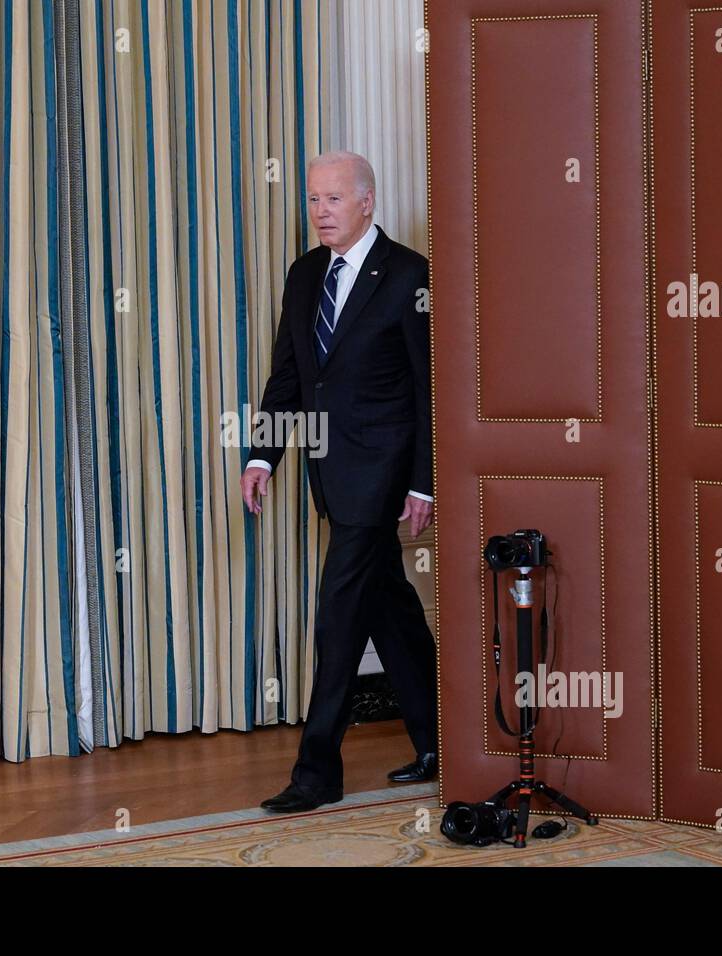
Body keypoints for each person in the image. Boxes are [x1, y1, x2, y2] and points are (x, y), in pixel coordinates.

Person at [242, 151, 439, 813]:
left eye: (333, 199)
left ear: (367, 202)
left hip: (383, 475)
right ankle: (442, 740)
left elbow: (428, 390)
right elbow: (290, 379)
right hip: (330, 473)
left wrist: (424, 482)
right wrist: (261, 457)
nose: (320, 212)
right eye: (313, 199)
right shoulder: (304, 276)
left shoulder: (410, 275)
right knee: (392, 607)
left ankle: (316, 774)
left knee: (337, 618)